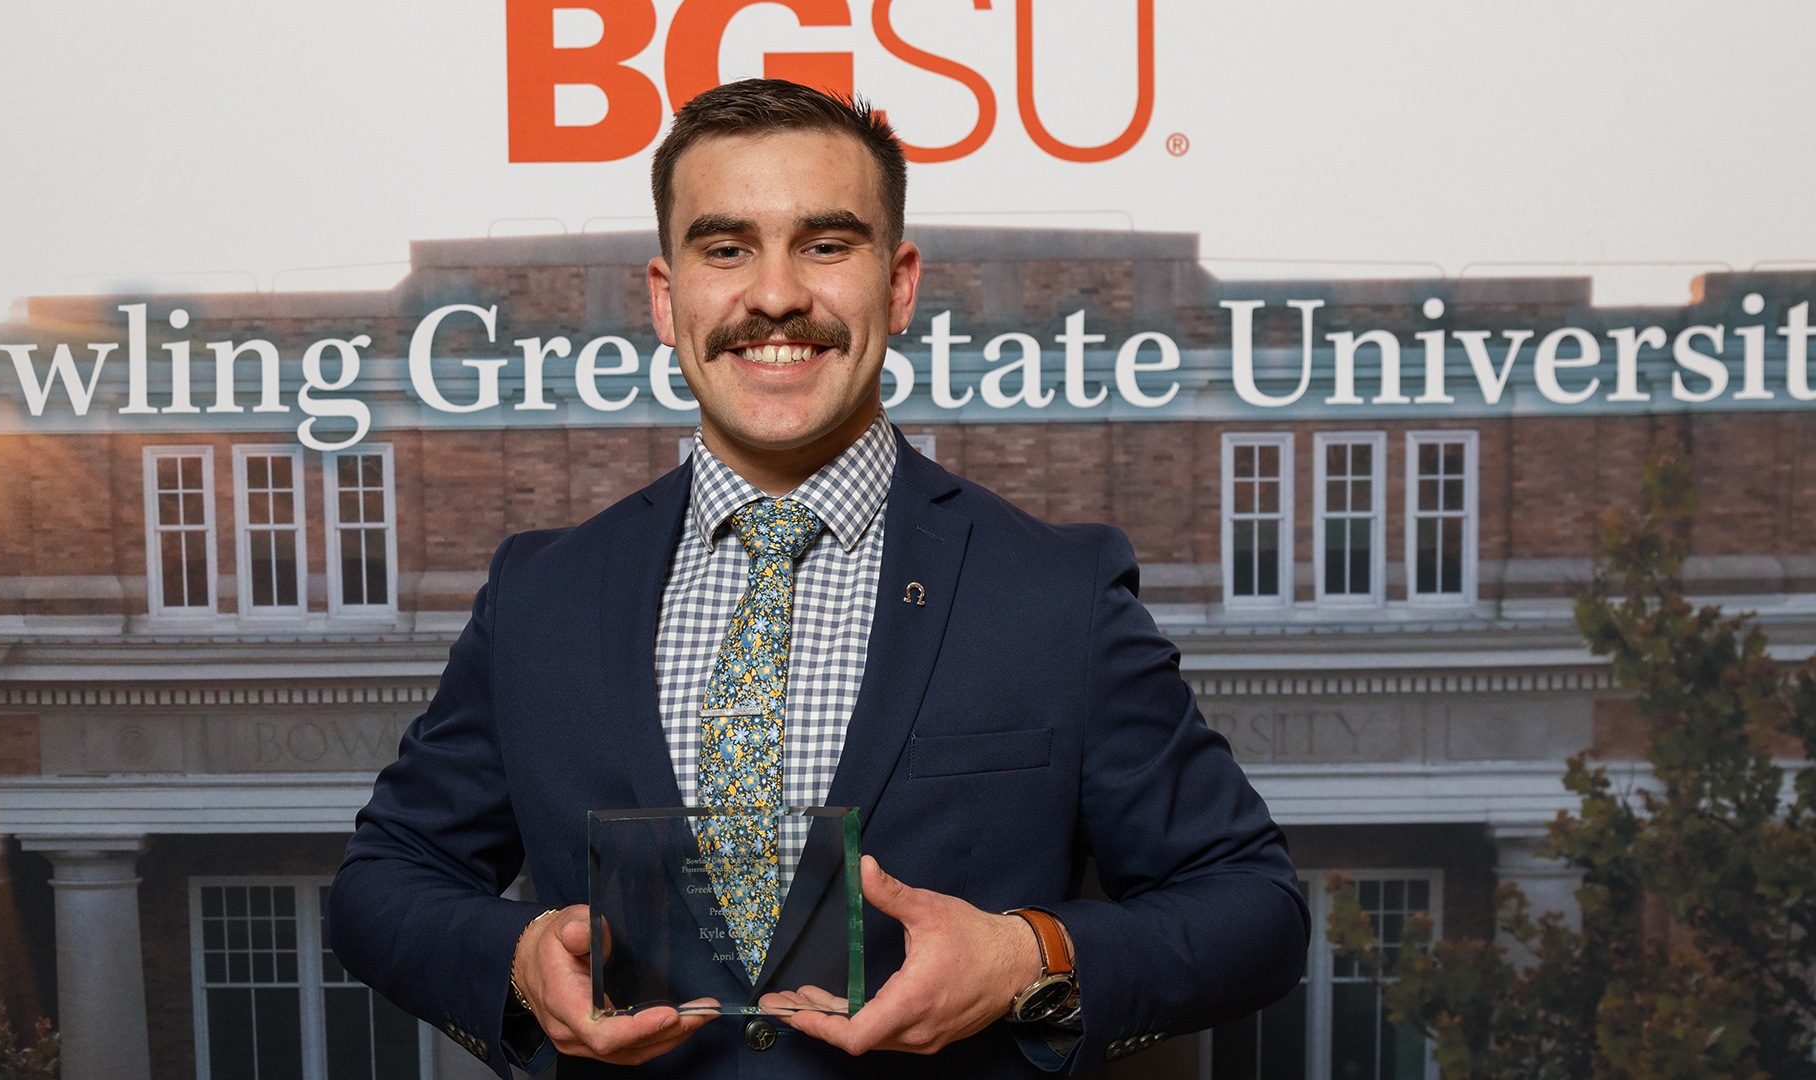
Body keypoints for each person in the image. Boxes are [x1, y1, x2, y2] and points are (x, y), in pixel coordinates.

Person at [329, 78, 1307, 1078]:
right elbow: (384, 882)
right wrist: (515, 960)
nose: (776, 295)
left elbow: (1253, 909)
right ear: (667, 300)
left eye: (827, 245)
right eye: (726, 248)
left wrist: (1029, 958)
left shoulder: (1054, 593)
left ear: (898, 283)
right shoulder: (542, 595)